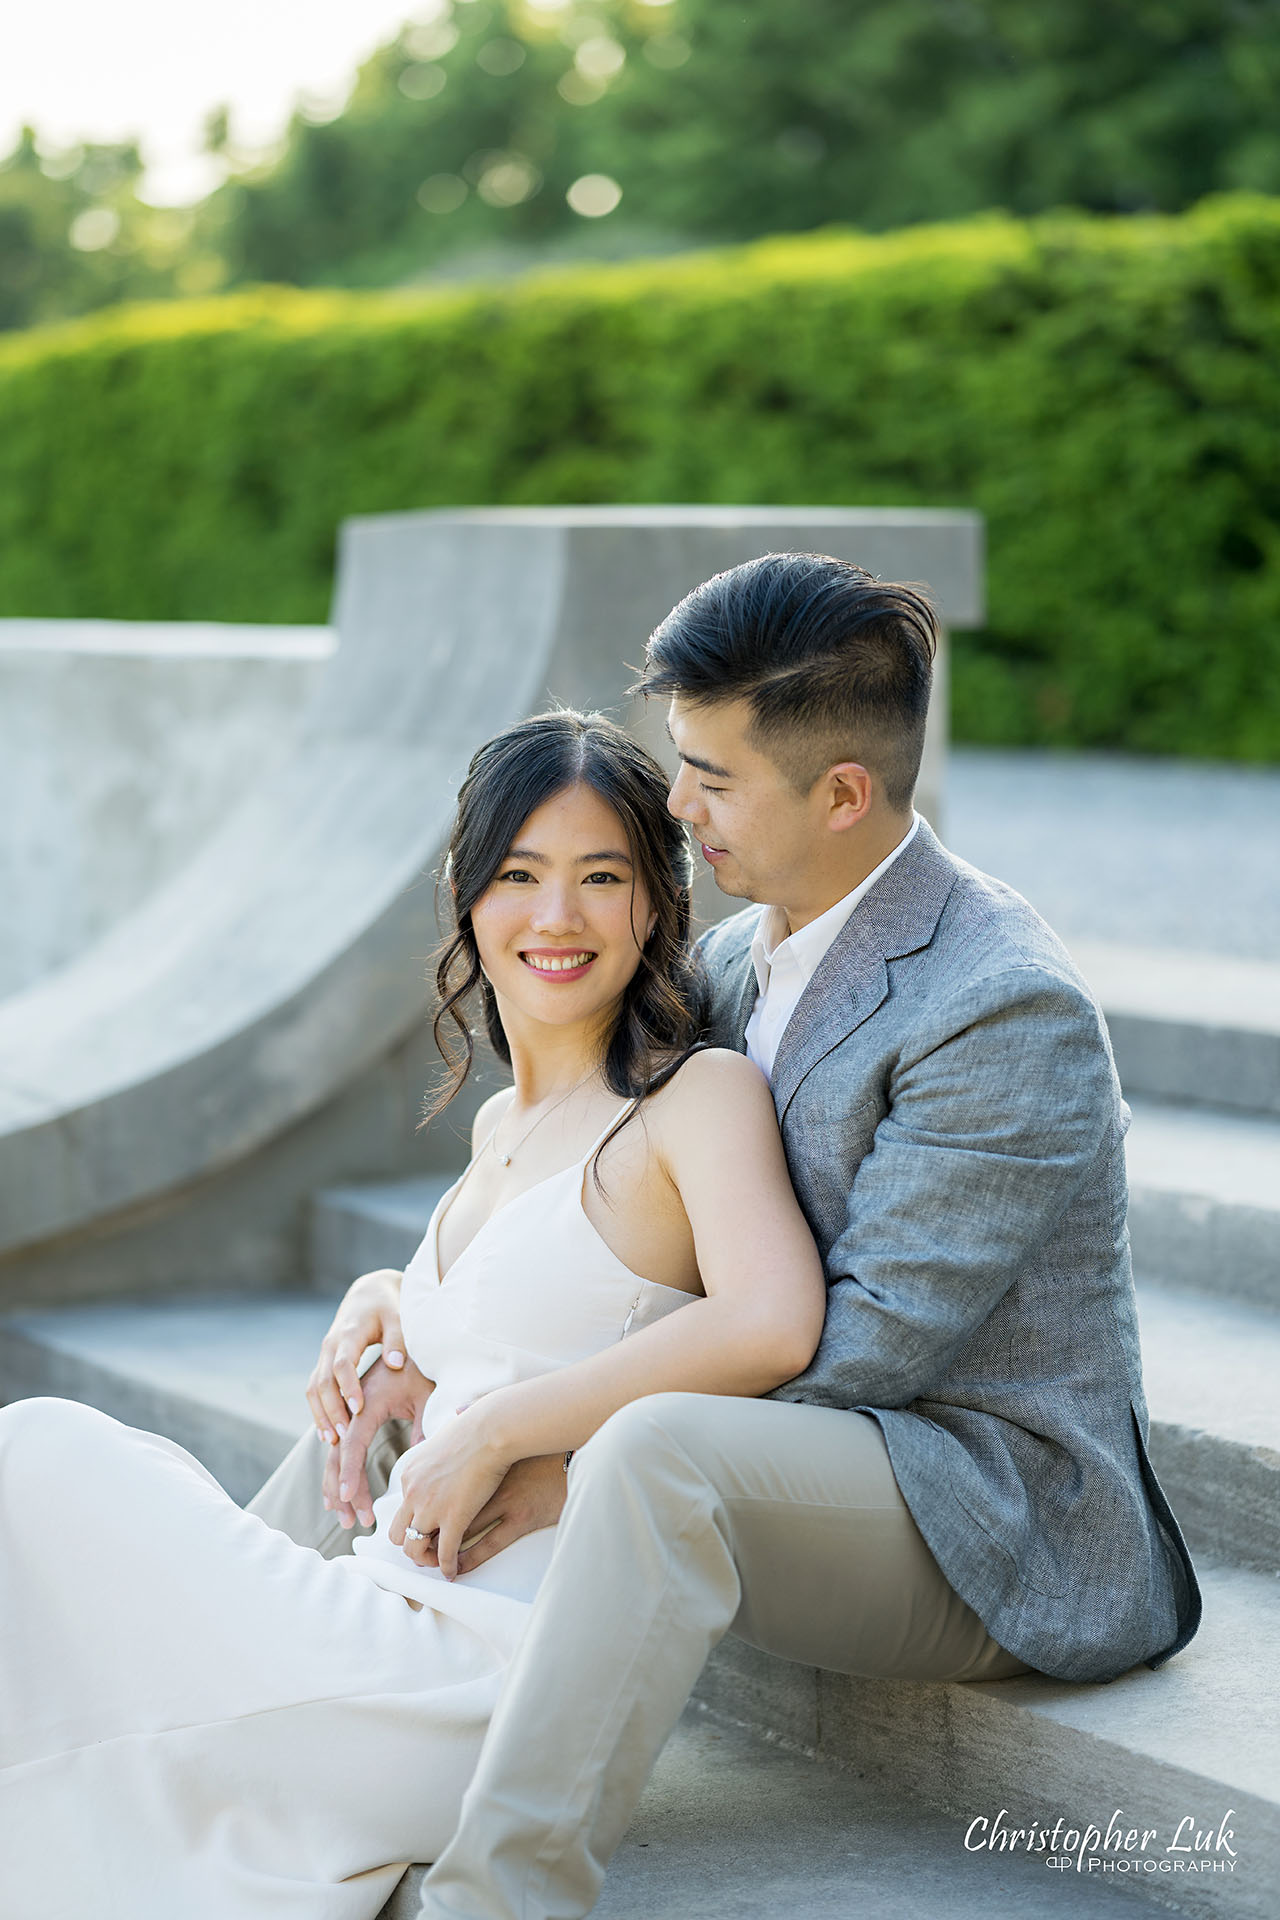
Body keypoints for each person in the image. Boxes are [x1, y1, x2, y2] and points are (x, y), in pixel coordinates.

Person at [257, 553, 1202, 1920]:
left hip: (982, 1508)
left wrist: (546, 1446)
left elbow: (862, 1346)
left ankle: (499, 1898)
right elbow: (579, 1191)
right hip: (795, 1450)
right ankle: (239, 1690)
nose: (676, 806)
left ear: (843, 793)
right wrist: (398, 1309)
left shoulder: (1003, 1007)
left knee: (640, 1445)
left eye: (710, 775)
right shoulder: (744, 959)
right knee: (413, 1405)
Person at [0, 711, 833, 1920]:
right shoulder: (498, 1131)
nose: (558, 917)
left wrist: (499, 1434)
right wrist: (383, 1298)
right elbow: (520, 1309)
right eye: (519, 877)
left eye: (601, 877)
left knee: (45, 1455)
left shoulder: (691, 1100)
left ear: (656, 901)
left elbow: (770, 1322)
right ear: (464, 894)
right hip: (379, 1608)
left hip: (484, 1669)